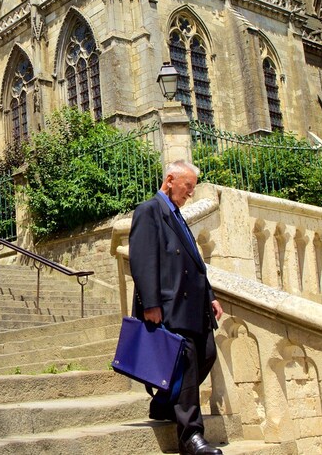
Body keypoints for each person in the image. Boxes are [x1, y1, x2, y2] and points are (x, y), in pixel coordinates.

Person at [129, 160, 224, 455]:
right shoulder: (149, 211)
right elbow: (142, 260)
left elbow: (194, 262)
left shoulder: (178, 215)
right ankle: (191, 438)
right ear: (170, 180)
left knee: (207, 354)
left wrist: (210, 295)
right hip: (169, 305)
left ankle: (162, 402)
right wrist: (151, 304)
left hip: (195, 306)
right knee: (186, 366)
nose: (190, 194)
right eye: (188, 187)